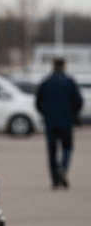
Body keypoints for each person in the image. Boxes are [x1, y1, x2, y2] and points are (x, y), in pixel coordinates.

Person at [35, 57, 84, 188]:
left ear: (53, 66)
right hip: (67, 122)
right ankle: (63, 167)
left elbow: (38, 102)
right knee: (67, 147)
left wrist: (45, 114)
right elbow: (78, 102)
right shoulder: (70, 82)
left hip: (50, 123)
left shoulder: (45, 82)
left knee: (52, 151)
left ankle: (55, 180)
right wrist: (73, 114)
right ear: (64, 66)